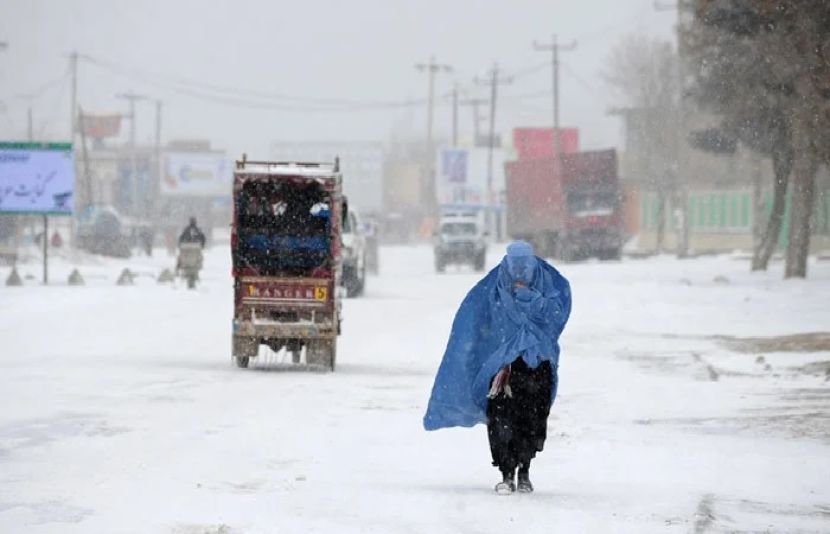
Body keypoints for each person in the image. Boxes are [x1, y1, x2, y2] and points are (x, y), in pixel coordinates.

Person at [423, 240, 571, 495]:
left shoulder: (548, 283)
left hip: (538, 364)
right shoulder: (493, 287)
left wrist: (534, 301)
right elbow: (475, 322)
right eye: (516, 264)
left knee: (533, 420)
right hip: (502, 369)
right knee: (502, 420)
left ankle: (524, 471)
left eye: (525, 264)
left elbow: (557, 317)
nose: (520, 270)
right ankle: (506, 473)